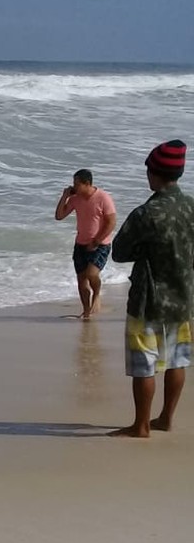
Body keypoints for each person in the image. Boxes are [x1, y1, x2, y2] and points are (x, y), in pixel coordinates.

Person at [109, 140, 194, 438]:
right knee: (177, 360)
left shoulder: (146, 214)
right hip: (183, 296)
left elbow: (119, 251)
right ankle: (166, 418)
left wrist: (145, 249)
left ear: (155, 173)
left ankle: (141, 425)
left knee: (144, 365)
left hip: (148, 299)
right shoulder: (191, 206)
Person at [54, 169, 117, 319]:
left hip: (101, 243)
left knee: (91, 274)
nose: (74, 187)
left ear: (87, 183)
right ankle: (86, 312)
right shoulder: (75, 198)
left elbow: (111, 222)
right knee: (81, 279)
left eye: (76, 184)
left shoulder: (103, 197)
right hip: (80, 243)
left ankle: (96, 294)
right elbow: (59, 216)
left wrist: (96, 241)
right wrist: (65, 196)